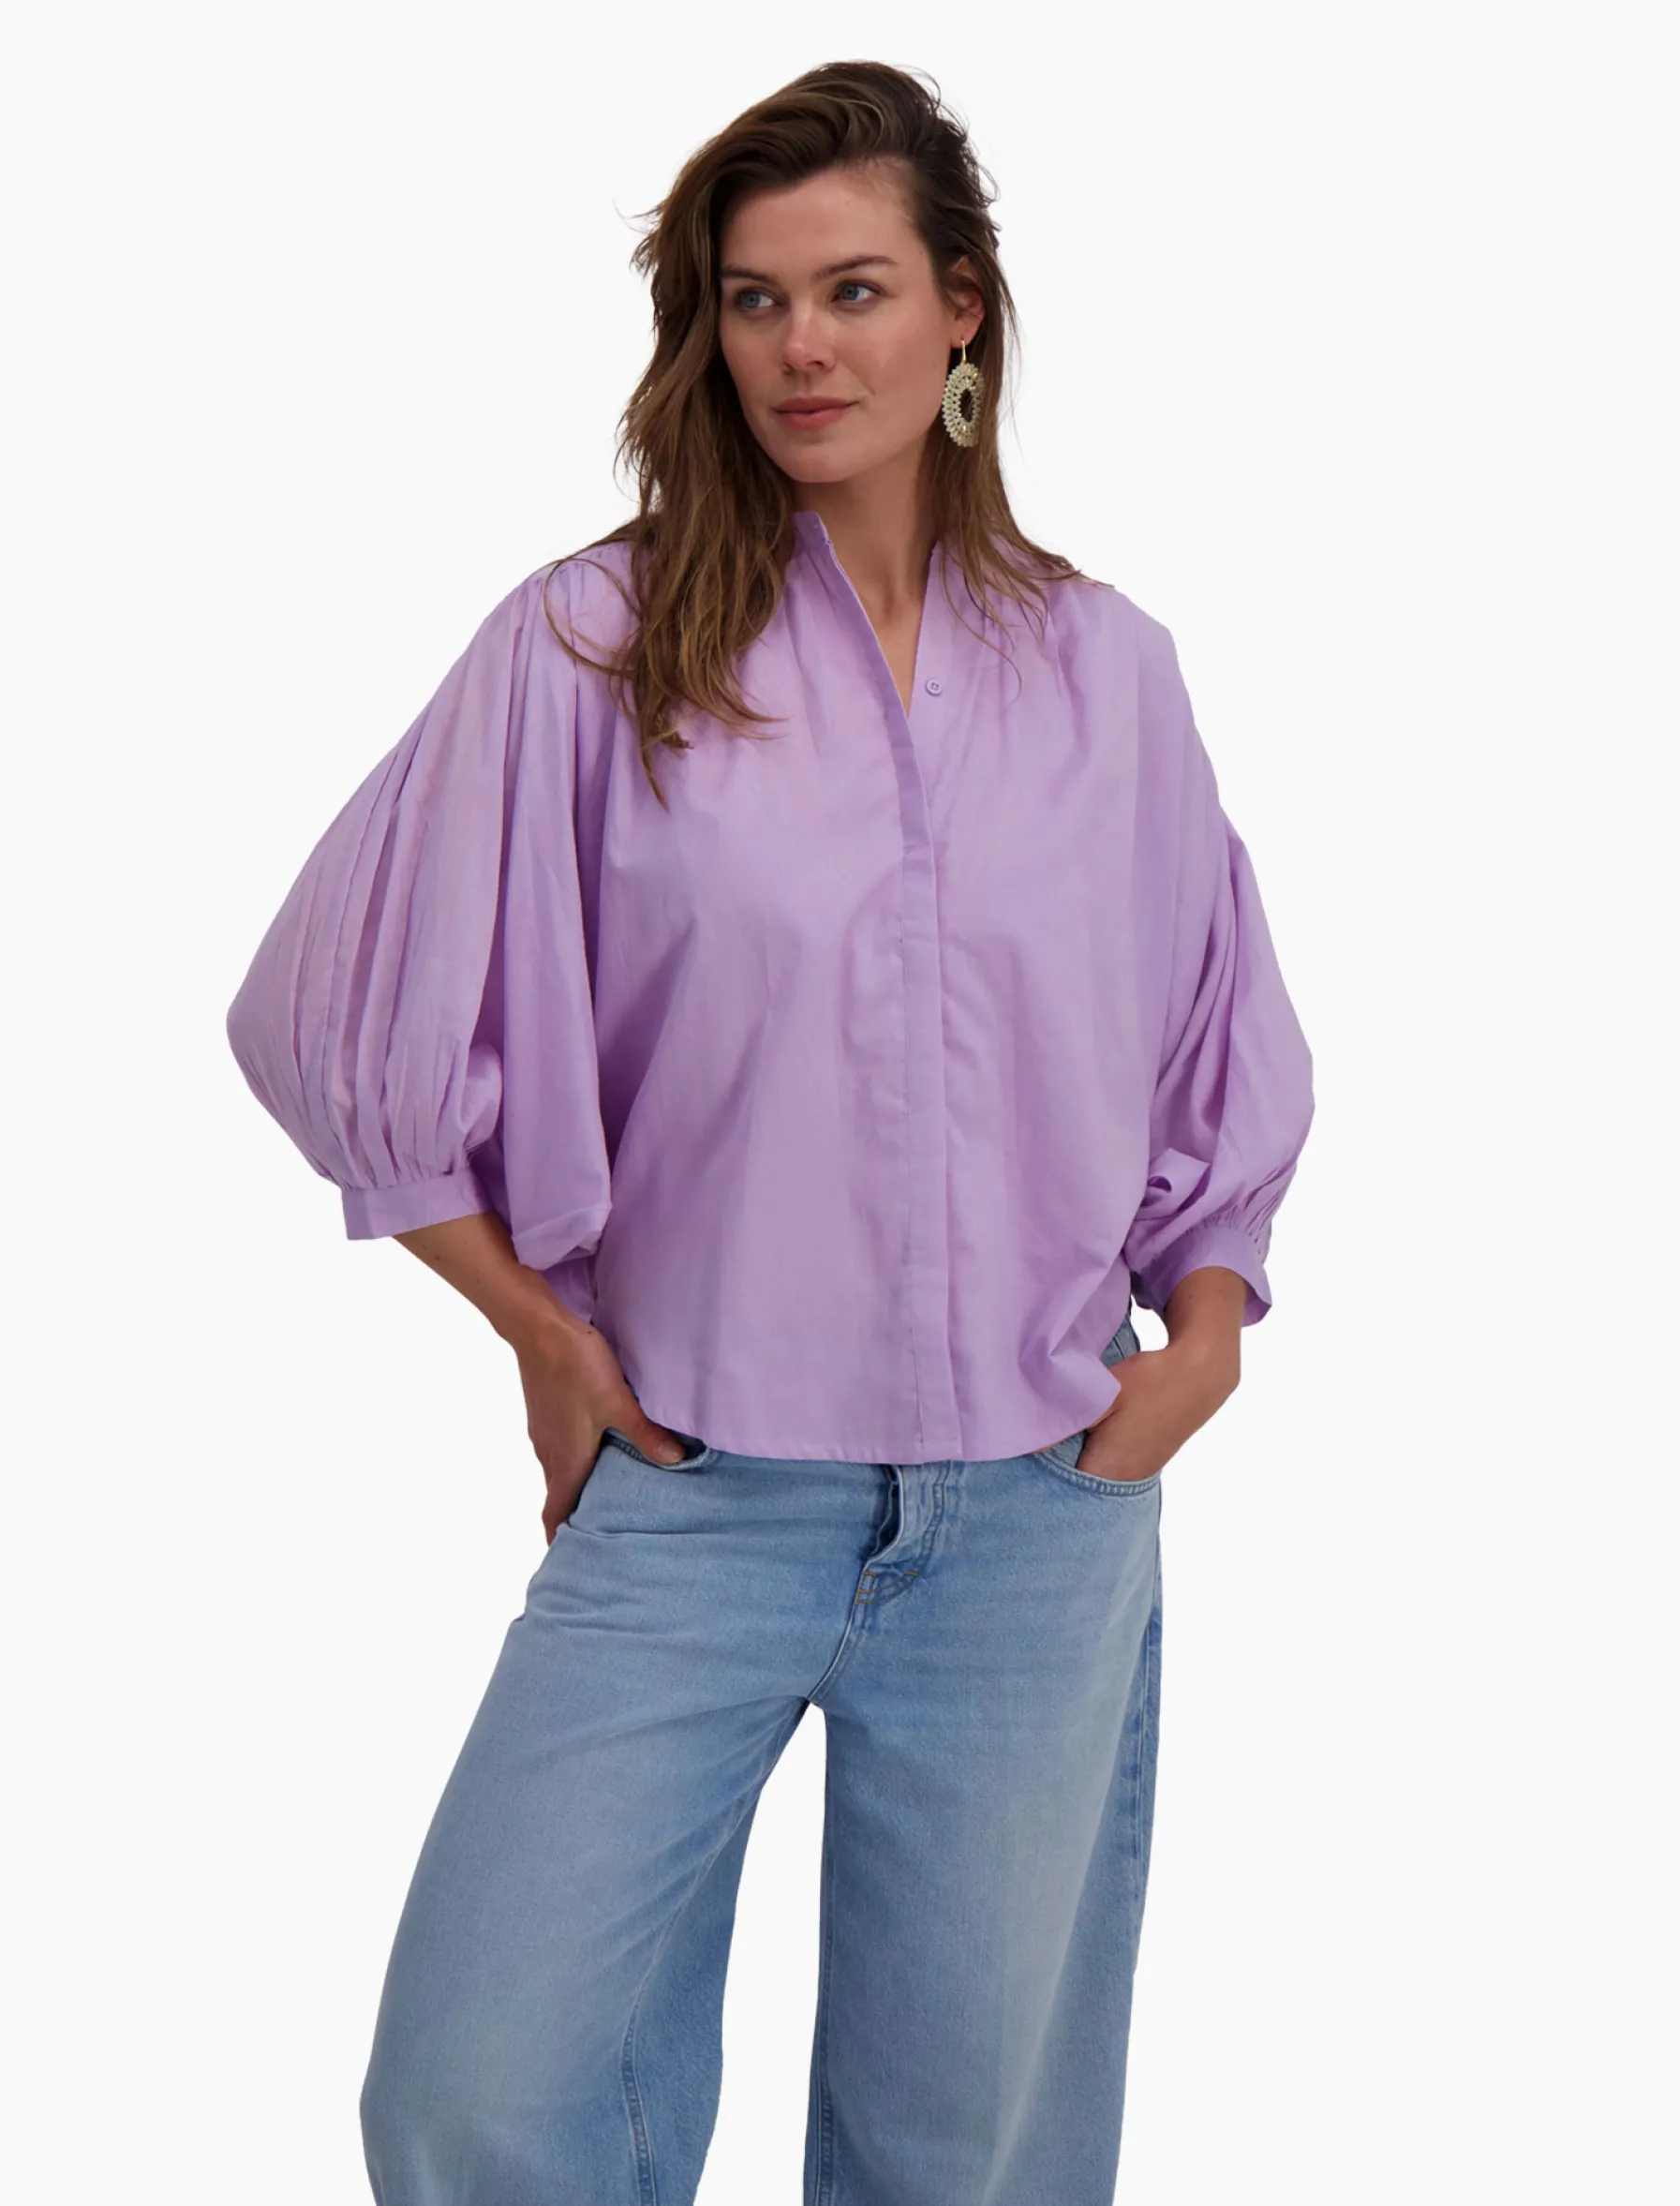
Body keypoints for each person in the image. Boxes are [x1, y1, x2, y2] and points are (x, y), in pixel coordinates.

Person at [225, 59, 1315, 2206]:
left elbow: (1214, 1043)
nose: (801, 345)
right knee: (477, 2085)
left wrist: (1199, 1340)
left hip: (1039, 1508)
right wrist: (537, 1325)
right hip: (695, 1491)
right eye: (752, 299)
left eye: (853, 290)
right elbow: (329, 1010)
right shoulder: (592, 645)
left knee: (959, 2158)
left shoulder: (1109, 672)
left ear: (962, 314)